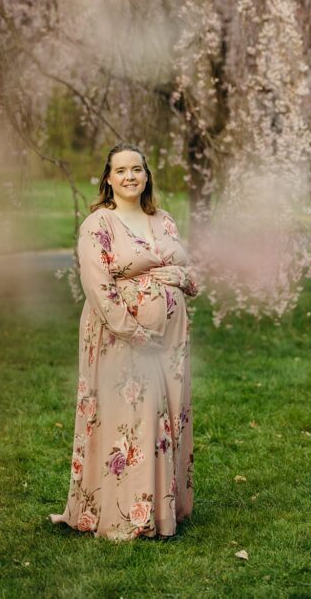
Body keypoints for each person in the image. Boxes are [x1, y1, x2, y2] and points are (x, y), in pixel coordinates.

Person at [49, 142, 199, 540]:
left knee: (164, 417)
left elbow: (192, 273)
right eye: (121, 170)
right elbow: (98, 289)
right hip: (122, 337)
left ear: (147, 175)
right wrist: (136, 331)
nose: (130, 176)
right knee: (131, 422)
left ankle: (163, 509)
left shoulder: (164, 221)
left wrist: (180, 278)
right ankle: (123, 515)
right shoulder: (98, 224)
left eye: (137, 169)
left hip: (170, 343)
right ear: (108, 178)